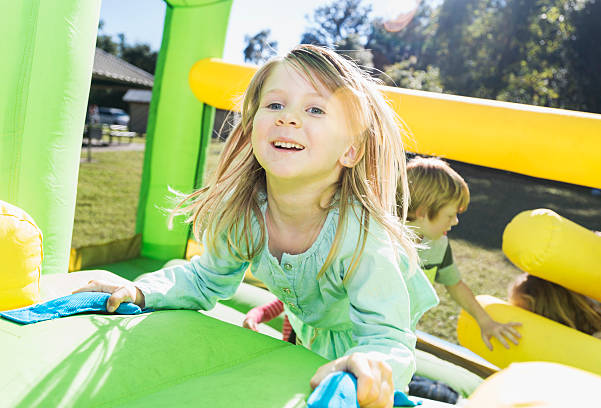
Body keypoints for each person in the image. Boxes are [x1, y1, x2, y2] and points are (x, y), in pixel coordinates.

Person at [74, 45, 439, 408]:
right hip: (310, 334)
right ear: (252, 128)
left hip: (367, 341)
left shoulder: (359, 236)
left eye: (314, 109)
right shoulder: (245, 213)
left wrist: (374, 366)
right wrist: (141, 290)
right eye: (275, 105)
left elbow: (387, 336)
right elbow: (205, 280)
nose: (289, 118)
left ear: (350, 150)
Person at [403, 156, 522, 350]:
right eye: (450, 215)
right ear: (422, 212)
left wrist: (485, 322)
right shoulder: (379, 241)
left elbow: (455, 284)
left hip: (401, 335)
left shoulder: (438, 244)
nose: (456, 222)